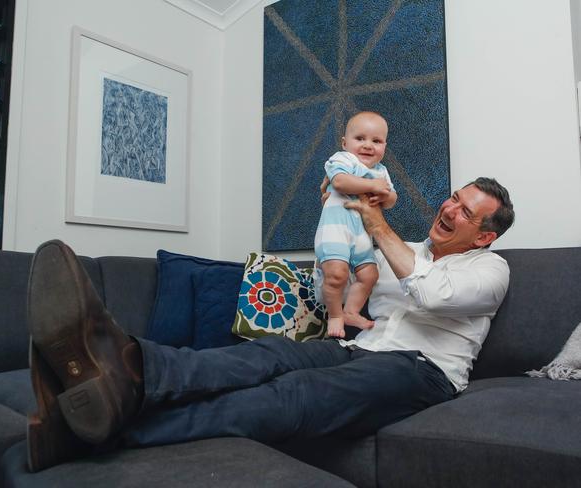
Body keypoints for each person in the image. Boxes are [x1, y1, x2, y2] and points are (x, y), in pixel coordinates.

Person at [26, 177, 515, 473]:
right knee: (266, 353)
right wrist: (340, 215)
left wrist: (379, 228)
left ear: (484, 234)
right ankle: (125, 360)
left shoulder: (491, 270)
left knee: (295, 394)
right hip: (360, 345)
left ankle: (105, 432)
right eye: (453, 198)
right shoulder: (406, 249)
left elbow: (428, 292)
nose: (449, 209)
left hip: (422, 370)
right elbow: (347, 286)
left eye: (465, 211)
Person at [314, 111, 398, 338]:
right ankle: (335, 316)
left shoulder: (381, 171)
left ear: (384, 147)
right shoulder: (342, 159)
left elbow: (391, 199)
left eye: (376, 141)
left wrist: (384, 196)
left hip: (362, 234)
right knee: (337, 275)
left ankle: (351, 311)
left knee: (370, 275)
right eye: (360, 139)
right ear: (344, 143)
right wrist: (372, 187)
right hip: (335, 230)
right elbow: (340, 182)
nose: (368, 145)